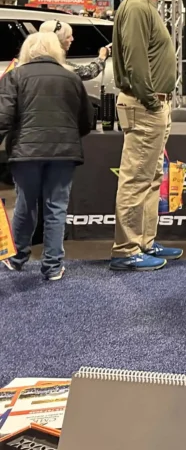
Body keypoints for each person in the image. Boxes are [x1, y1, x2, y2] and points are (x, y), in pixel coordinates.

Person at [109, 0, 183, 271]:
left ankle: (144, 242)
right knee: (136, 178)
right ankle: (126, 249)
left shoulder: (143, 6)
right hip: (145, 106)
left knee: (150, 176)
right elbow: (136, 62)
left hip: (150, 105)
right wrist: (152, 101)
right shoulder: (138, 7)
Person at [0, 32, 93, 281]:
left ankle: (17, 258)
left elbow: (3, 118)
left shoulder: (15, 76)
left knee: (25, 204)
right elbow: (86, 120)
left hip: (26, 152)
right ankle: (52, 266)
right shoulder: (72, 77)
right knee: (56, 207)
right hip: (64, 153)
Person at [39, 19, 109, 80]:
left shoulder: (37, 59)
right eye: (68, 37)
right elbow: (87, 72)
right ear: (56, 41)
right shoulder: (57, 64)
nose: (72, 39)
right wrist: (101, 57)